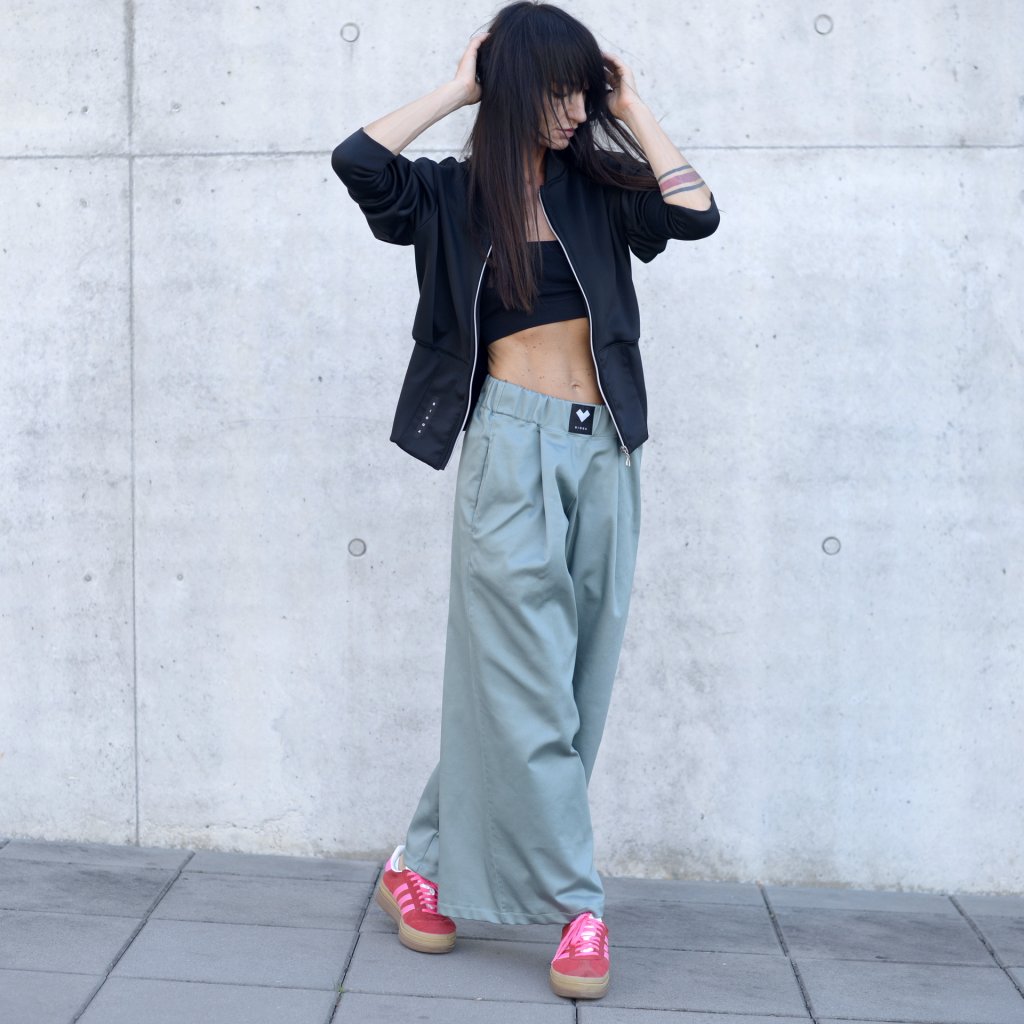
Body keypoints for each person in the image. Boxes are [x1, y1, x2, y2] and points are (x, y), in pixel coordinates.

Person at [331, 0, 719, 1001]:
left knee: (573, 686)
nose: (572, 109)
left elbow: (694, 210)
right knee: (526, 687)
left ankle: (420, 860)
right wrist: (459, 88)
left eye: (583, 91)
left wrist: (631, 106)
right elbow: (357, 162)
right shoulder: (449, 196)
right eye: (556, 91)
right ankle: (577, 906)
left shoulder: (602, 187)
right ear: (509, 90)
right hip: (509, 449)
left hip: (608, 453)